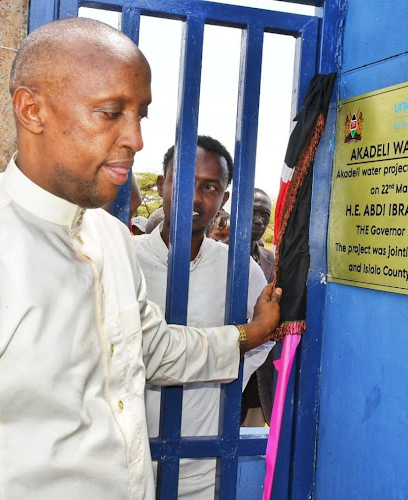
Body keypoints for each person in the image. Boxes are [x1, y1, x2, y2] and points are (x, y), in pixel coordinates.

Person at [0, 18, 280, 499]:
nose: (135, 139)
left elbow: (149, 348)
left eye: (140, 114)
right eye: (110, 113)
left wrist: (248, 335)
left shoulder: (108, 238)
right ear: (31, 110)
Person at [134, 136, 272, 498]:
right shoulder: (125, 258)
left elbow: (262, 338)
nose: (194, 197)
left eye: (209, 187)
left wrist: (218, 393)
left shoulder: (239, 269)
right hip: (126, 457)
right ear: (162, 184)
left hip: (203, 462)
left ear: (224, 198)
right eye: (182, 180)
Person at [242, 188, 277, 426]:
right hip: (220, 375)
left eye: (265, 214)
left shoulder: (271, 260)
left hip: (258, 382)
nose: (259, 220)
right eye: (253, 211)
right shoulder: (214, 253)